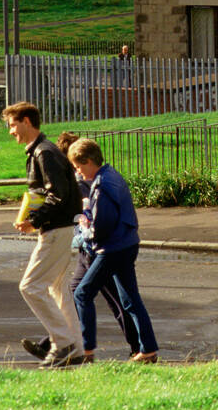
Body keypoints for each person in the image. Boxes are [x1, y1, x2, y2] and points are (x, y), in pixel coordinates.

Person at [26, 132, 140, 361]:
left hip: (98, 247)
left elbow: (90, 214)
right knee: (79, 295)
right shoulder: (80, 179)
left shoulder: (82, 182)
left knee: (113, 298)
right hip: (89, 248)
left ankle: (133, 347)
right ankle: (58, 343)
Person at [4, 101, 84, 368]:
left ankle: (63, 344)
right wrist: (33, 219)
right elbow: (52, 194)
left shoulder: (44, 153)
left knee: (30, 286)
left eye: (13, 125)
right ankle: (77, 349)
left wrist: (35, 219)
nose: (10, 132)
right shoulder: (41, 151)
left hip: (56, 230)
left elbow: (57, 194)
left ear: (27, 121)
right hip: (61, 228)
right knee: (58, 288)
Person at [68, 138, 158, 363]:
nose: (78, 173)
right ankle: (148, 350)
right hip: (126, 243)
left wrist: (85, 232)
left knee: (82, 293)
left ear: (88, 161)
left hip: (112, 248)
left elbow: (103, 226)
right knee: (130, 300)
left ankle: (86, 350)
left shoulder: (102, 185)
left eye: (78, 167)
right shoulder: (111, 176)